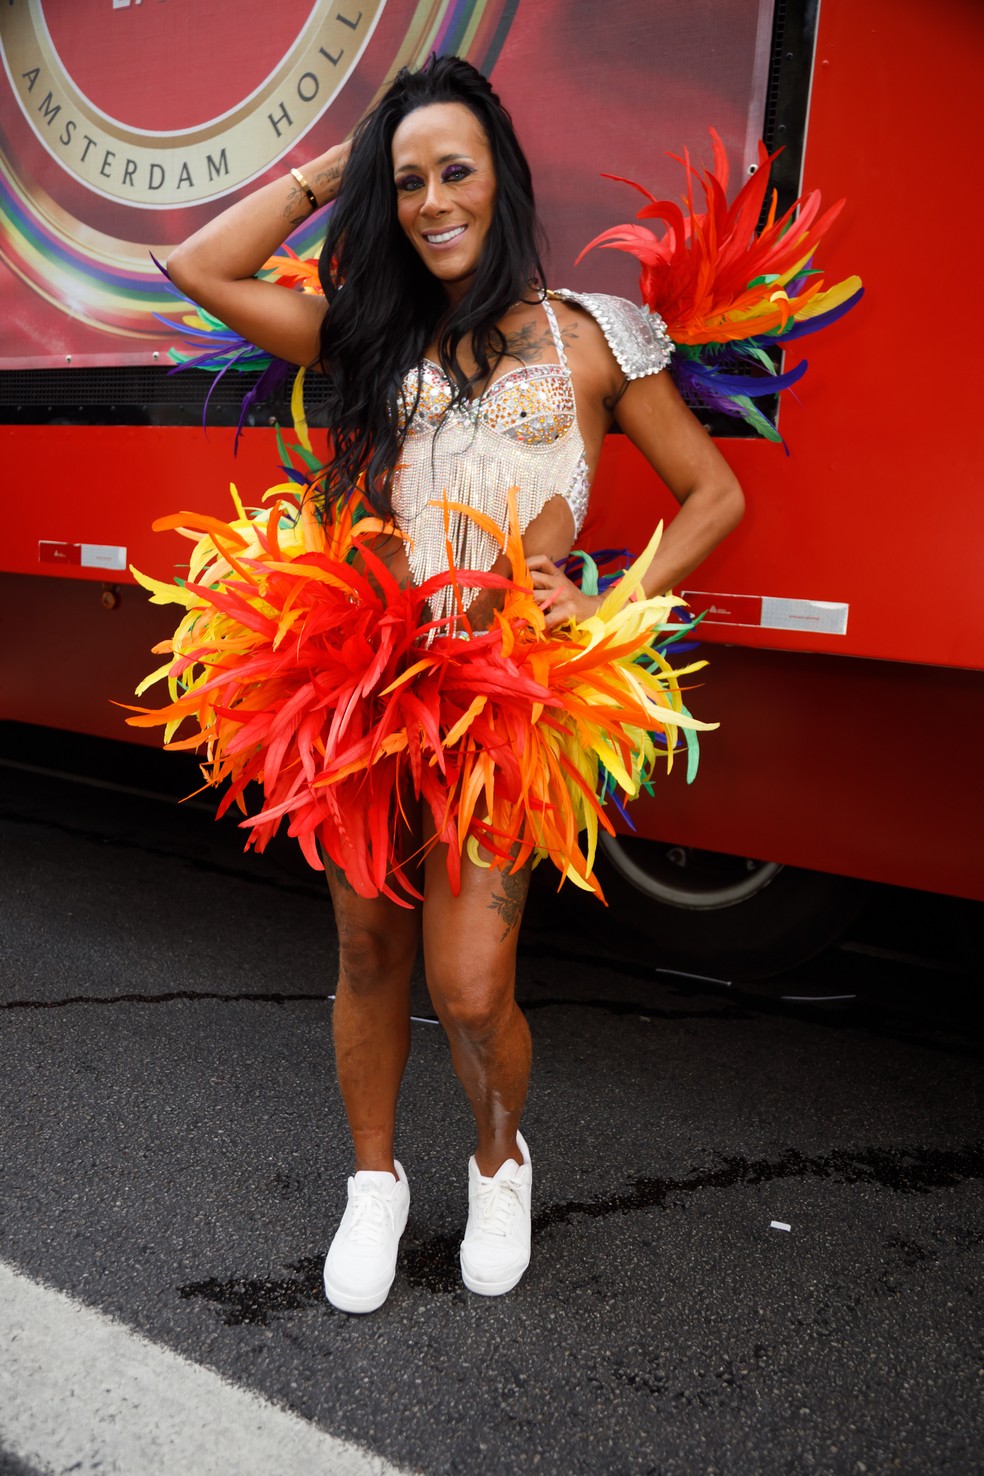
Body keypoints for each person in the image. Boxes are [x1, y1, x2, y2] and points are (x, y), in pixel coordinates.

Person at [160, 55, 744, 1314]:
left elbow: (715, 495)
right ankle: (376, 1183)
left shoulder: (593, 336)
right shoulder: (366, 330)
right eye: (408, 178)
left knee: (471, 982)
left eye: (455, 170)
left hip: (512, 700)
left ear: (503, 178)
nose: (431, 200)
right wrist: (336, 167)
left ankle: (497, 1159)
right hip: (367, 686)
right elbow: (198, 268)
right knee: (368, 952)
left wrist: (614, 598)